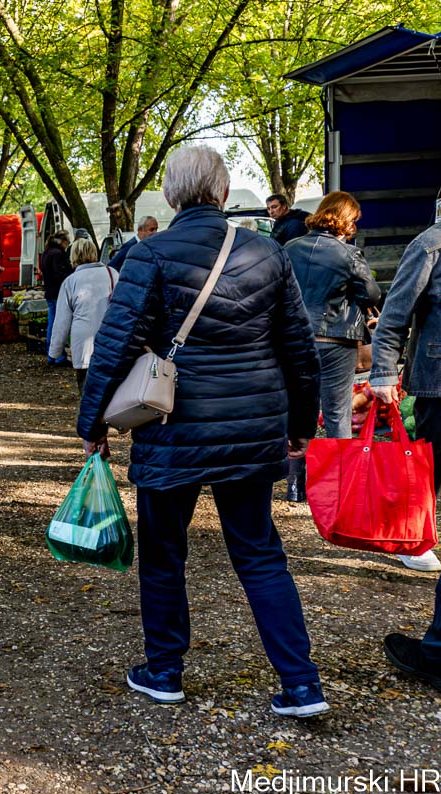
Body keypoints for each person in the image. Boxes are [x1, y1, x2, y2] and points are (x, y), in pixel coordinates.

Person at [78, 146, 328, 718]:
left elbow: (115, 346)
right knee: (260, 554)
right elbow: (299, 348)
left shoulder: (150, 254)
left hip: (174, 427)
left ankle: (164, 671)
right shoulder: (267, 252)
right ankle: (301, 683)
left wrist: (92, 424)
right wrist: (299, 426)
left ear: (171, 194)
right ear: (221, 191)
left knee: (164, 553)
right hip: (251, 425)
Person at [370, 216, 441, 683]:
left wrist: (381, 373)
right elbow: (395, 315)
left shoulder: (433, 241)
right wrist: (381, 370)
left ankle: (437, 653)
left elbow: (395, 313)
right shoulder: (432, 244)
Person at [282, 192, 381, 504]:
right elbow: (371, 294)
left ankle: (296, 486)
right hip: (337, 340)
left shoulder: (289, 248)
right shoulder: (349, 254)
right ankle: (342, 486)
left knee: (299, 411)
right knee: (337, 413)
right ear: (346, 220)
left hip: (296, 339)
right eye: (354, 220)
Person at [48, 238, 117, 392]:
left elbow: (62, 322)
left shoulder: (70, 281)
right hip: (110, 339)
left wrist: (55, 351)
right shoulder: (112, 274)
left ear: (73, 256)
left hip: (84, 343)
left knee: (86, 389)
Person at [41, 231, 72, 365]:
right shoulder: (58, 254)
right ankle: (58, 356)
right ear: (63, 241)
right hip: (58, 293)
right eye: (67, 242)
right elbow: (59, 274)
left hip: (50, 292)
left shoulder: (47, 252)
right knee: (58, 325)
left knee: (52, 323)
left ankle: (51, 354)